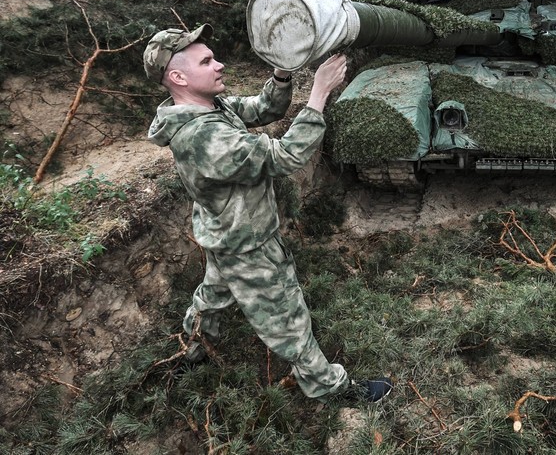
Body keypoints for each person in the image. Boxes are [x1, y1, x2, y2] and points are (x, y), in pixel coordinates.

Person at [143, 24, 391, 403]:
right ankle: (331, 389)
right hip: (248, 245)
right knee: (288, 320)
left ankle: (191, 352)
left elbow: (263, 108)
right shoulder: (201, 135)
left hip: (223, 231)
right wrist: (319, 93)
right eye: (207, 61)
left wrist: (282, 72)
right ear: (177, 77)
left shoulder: (208, 105)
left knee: (210, 298)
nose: (219, 65)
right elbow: (285, 156)